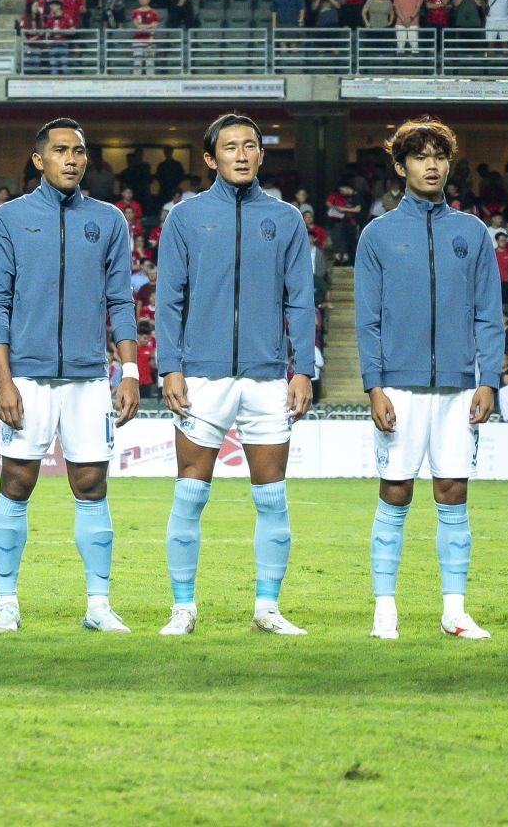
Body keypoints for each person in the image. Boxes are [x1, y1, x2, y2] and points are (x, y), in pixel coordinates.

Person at [155, 113, 317, 636]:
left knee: (272, 496)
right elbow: (169, 299)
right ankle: (183, 608)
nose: (242, 154)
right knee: (190, 493)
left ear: (262, 155)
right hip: (201, 376)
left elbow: (301, 301)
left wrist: (303, 369)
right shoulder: (184, 217)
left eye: (250, 145)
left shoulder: (288, 219)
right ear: (210, 159)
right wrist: (170, 366)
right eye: (230, 147)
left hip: (269, 376)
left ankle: (267, 609)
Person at [0, 119, 138, 635]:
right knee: (17, 482)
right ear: (38, 160)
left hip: (90, 377)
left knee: (91, 484)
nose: (71, 159)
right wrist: (2, 379)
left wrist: (130, 369)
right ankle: (6, 601)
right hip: (26, 375)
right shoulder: (9, 219)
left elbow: (120, 299)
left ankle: (98, 603)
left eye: (79, 151)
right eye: (61, 151)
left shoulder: (109, 220)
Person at [354, 118, 504, 641]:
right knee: (394, 491)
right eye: (420, 156)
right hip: (398, 384)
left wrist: (490, 382)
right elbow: (367, 317)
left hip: (462, 386)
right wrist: (373, 385)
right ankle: (385, 609)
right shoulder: (377, 234)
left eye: (439, 155)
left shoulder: (472, 232)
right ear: (401, 167)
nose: (432, 164)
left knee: (453, 491)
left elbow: (489, 313)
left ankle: (454, 611)